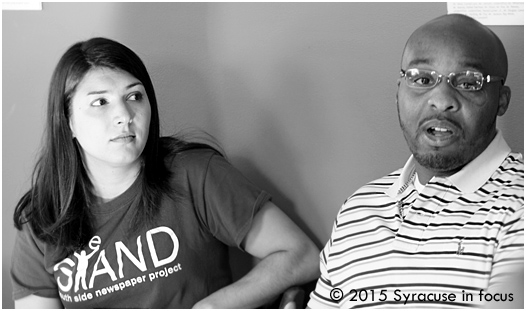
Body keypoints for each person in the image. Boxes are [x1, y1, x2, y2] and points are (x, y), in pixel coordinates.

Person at [11, 37, 320, 308]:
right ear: (68, 123)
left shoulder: (195, 174)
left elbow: (301, 255)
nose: (124, 115)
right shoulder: (41, 220)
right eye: (100, 102)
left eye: (134, 96)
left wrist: (213, 307)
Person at [308, 14, 523, 308]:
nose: (441, 99)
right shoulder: (356, 211)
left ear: (502, 100)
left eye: (468, 82)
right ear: (399, 93)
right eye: (422, 79)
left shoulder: (518, 202)